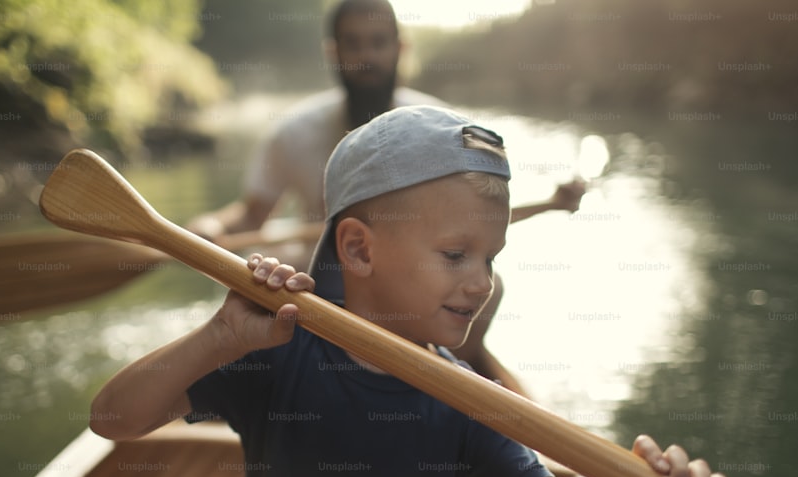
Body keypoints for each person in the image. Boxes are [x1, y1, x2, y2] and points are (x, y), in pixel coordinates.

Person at [90, 105, 729, 477]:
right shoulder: (276, 351)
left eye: (490, 258)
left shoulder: (470, 403)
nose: (482, 283)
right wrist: (219, 338)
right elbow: (113, 419)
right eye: (456, 255)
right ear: (360, 251)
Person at [189, 0, 585, 394]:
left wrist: (551, 202)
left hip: (410, 283)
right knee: (284, 275)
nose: (367, 57)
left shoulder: (442, 127)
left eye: (378, 42)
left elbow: (472, 225)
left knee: (492, 285)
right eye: (354, 44)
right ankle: (306, 385)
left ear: (400, 48)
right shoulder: (294, 133)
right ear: (334, 52)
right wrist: (209, 228)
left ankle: (451, 371)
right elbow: (251, 218)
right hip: (321, 285)